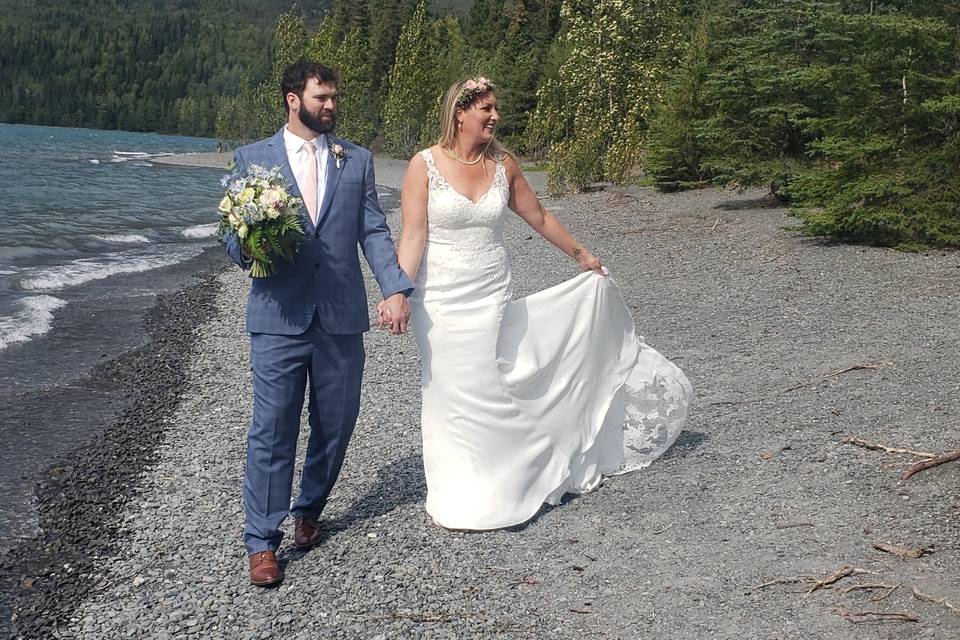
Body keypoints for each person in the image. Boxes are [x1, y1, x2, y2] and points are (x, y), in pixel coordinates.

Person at [382, 77, 693, 530]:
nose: (494, 117)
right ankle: (457, 489)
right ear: (460, 112)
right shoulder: (423, 165)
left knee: (491, 383)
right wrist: (397, 291)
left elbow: (539, 216)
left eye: (496, 108)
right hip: (441, 299)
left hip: (490, 293)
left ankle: (515, 481)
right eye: (486, 108)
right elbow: (413, 235)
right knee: (449, 392)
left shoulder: (503, 165)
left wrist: (582, 255)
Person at [224, 61, 413, 586]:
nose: (330, 106)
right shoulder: (251, 159)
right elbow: (231, 235)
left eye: (334, 98)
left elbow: (373, 230)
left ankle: (309, 509)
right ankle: (262, 541)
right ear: (292, 99)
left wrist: (395, 286)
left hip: (340, 316)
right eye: (321, 97)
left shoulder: (356, 160)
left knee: (337, 423)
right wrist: (246, 242)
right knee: (272, 428)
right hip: (278, 316)